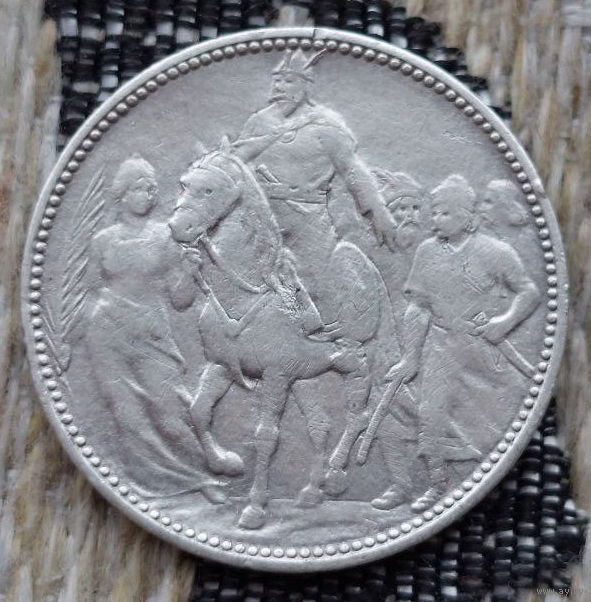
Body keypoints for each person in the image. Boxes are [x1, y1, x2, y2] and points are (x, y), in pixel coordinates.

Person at [81, 154, 231, 506]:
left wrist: (190, 273)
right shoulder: (103, 241)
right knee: (127, 415)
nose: (147, 195)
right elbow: (90, 291)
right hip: (107, 332)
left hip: (151, 331)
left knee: (171, 410)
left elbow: (180, 300)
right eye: (139, 188)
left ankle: (203, 470)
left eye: (151, 189)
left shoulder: (166, 236)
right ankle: (148, 485)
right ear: (121, 193)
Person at [389, 174, 540, 512]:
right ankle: (437, 484)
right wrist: (410, 357)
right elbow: (418, 306)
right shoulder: (427, 251)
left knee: (498, 409)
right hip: (441, 346)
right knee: (431, 413)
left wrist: (505, 323)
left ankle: (494, 472)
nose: (435, 219)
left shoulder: (495, 251)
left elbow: (529, 292)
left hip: (483, 346)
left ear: (465, 215)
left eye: (444, 213)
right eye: (434, 212)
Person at [368, 170, 427, 510]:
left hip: (431, 344)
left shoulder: (434, 252)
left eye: (416, 208)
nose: (410, 216)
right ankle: (401, 484)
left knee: (422, 413)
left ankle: (439, 476)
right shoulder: (374, 253)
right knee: (386, 413)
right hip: (385, 346)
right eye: (402, 209)